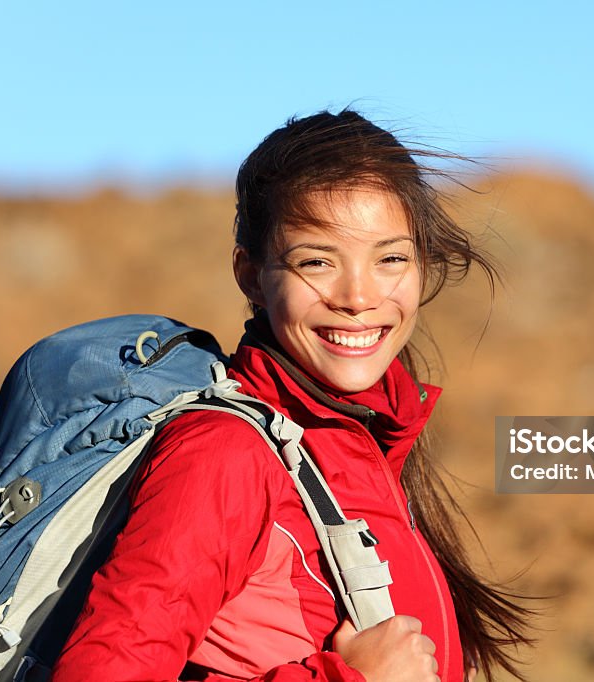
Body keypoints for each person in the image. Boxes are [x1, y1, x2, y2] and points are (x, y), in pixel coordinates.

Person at [50, 109, 532, 682]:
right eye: (317, 262)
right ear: (251, 275)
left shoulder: (362, 445)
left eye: (391, 258)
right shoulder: (222, 456)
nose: (358, 296)